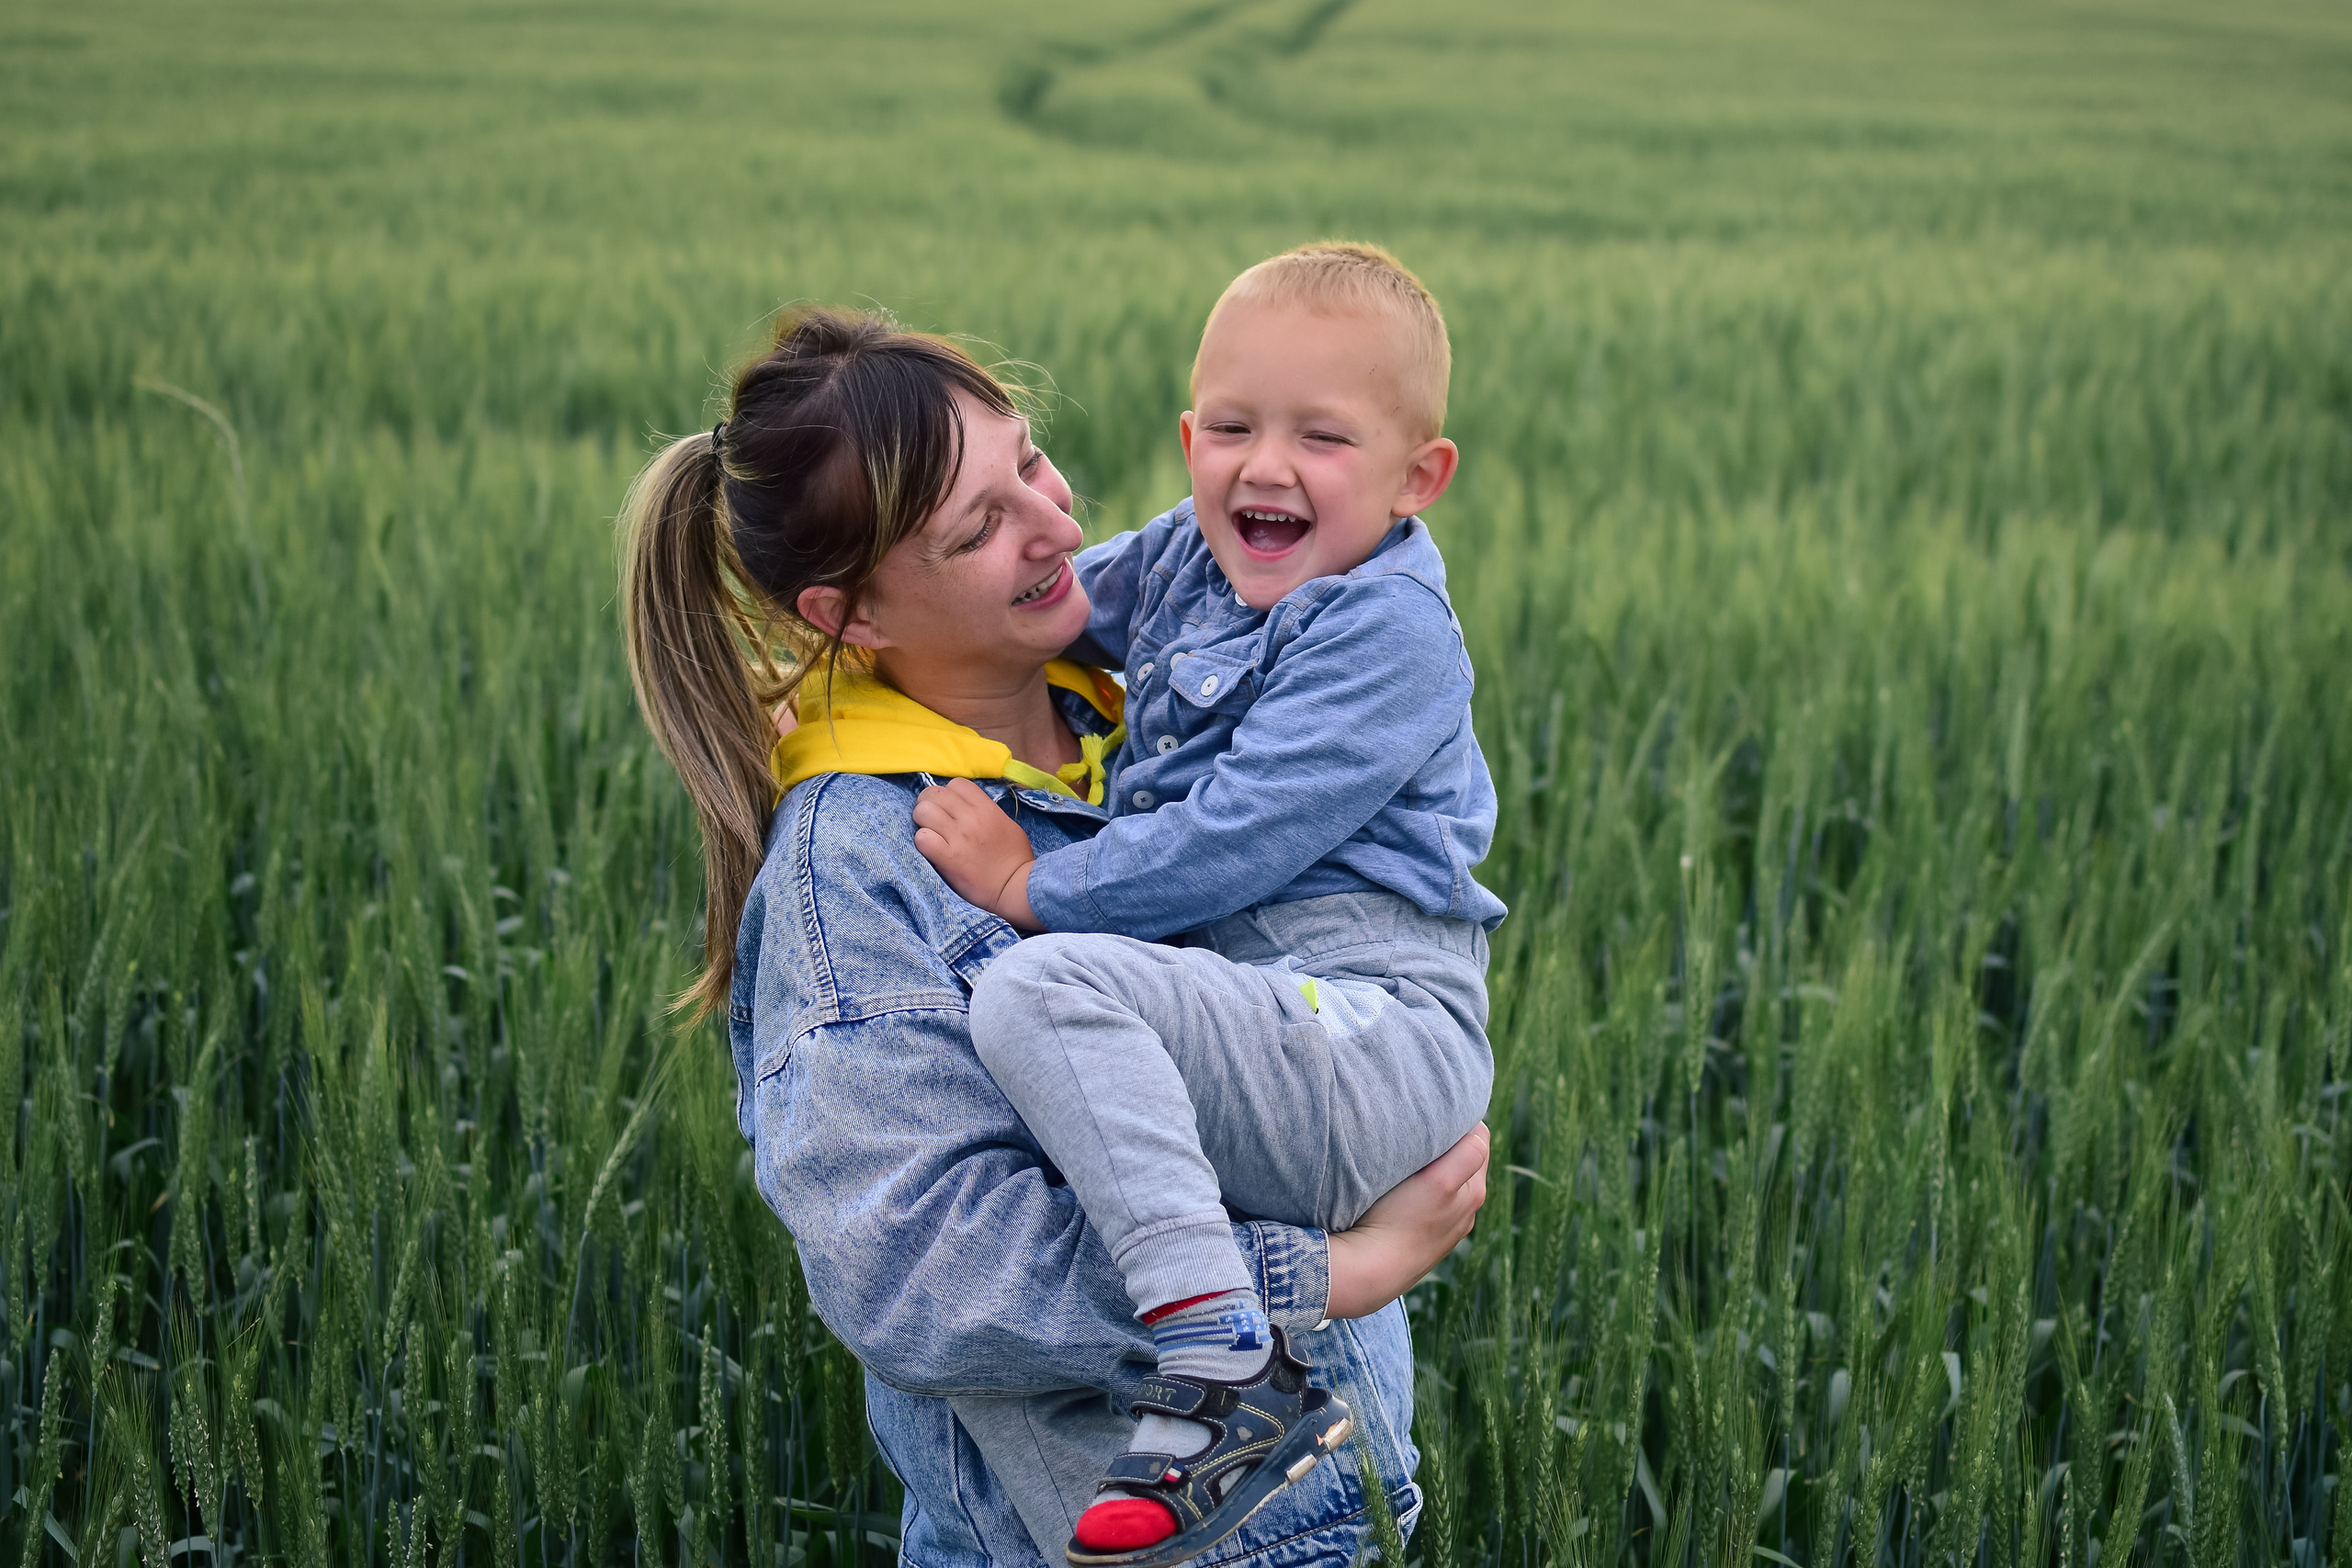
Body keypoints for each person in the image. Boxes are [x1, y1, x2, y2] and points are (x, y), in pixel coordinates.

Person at [616, 307, 1489, 1568]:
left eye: (1030, 463)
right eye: (980, 527)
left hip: (1340, 1502)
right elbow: (919, 1271)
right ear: (848, 612)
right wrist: (1324, 1279)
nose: (1061, 525)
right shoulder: (858, 866)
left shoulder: (1158, 712)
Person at [905, 243, 1504, 1565]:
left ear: (1420, 479)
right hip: (1259, 1025)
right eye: (1230, 427)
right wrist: (844, 654)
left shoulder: (1383, 632)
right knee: (1051, 1034)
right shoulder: (1191, 556)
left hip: (1371, 1036)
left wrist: (1031, 883)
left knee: (1035, 986)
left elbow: (1231, 842)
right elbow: (1045, 614)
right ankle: (1236, 1360)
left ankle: (1226, 1352)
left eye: (1322, 438)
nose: (1263, 467)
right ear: (1189, 437)